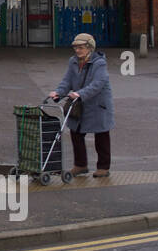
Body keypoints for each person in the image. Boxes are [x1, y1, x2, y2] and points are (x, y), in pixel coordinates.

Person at [48, 32, 114, 177]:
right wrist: (58, 92)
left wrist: (80, 94)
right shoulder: (73, 61)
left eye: (81, 48)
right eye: (76, 48)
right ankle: (80, 165)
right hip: (79, 105)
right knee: (76, 133)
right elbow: (67, 81)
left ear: (90, 48)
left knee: (101, 136)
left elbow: (98, 84)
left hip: (98, 105)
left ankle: (103, 167)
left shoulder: (99, 63)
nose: (77, 51)